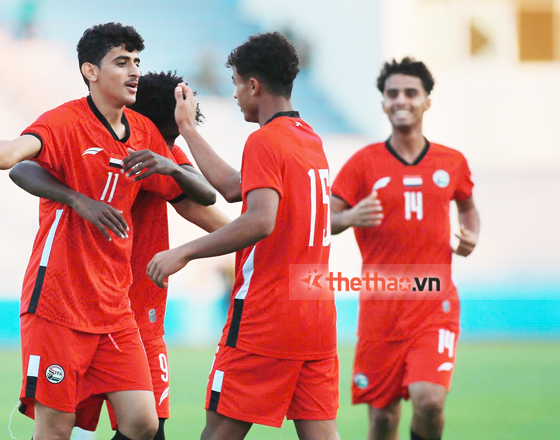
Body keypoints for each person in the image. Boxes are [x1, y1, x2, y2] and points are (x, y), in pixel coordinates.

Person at [0, 23, 216, 440]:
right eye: (122, 62)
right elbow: (19, 154)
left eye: (137, 61)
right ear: (90, 71)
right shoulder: (66, 122)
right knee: (56, 429)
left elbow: (205, 196)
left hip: (114, 309)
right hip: (58, 304)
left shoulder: (144, 131)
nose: (134, 71)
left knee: (143, 423)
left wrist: (172, 165)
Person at [9, 70, 231, 440]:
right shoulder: (112, 150)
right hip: (91, 308)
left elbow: (210, 209)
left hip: (135, 314)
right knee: (70, 427)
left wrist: (256, 237)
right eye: (170, 137)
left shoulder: (164, 159)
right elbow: (22, 163)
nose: (172, 148)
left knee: (146, 427)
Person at [147, 32, 340, 440]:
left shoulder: (264, 141)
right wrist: (189, 130)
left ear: (253, 86)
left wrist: (185, 251)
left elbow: (259, 220)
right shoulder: (309, 139)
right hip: (316, 316)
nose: (234, 94)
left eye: (236, 83)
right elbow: (236, 188)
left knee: (218, 433)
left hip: (266, 318)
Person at [330, 57, 480, 440]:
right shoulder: (363, 163)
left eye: (411, 93)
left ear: (427, 101)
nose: (401, 100)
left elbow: (467, 206)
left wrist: (470, 234)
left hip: (434, 305)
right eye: (392, 93)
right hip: (381, 310)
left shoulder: (452, 161)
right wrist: (350, 218)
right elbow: (325, 220)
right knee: (383, 420)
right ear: (382, 102)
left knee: (429, 401)